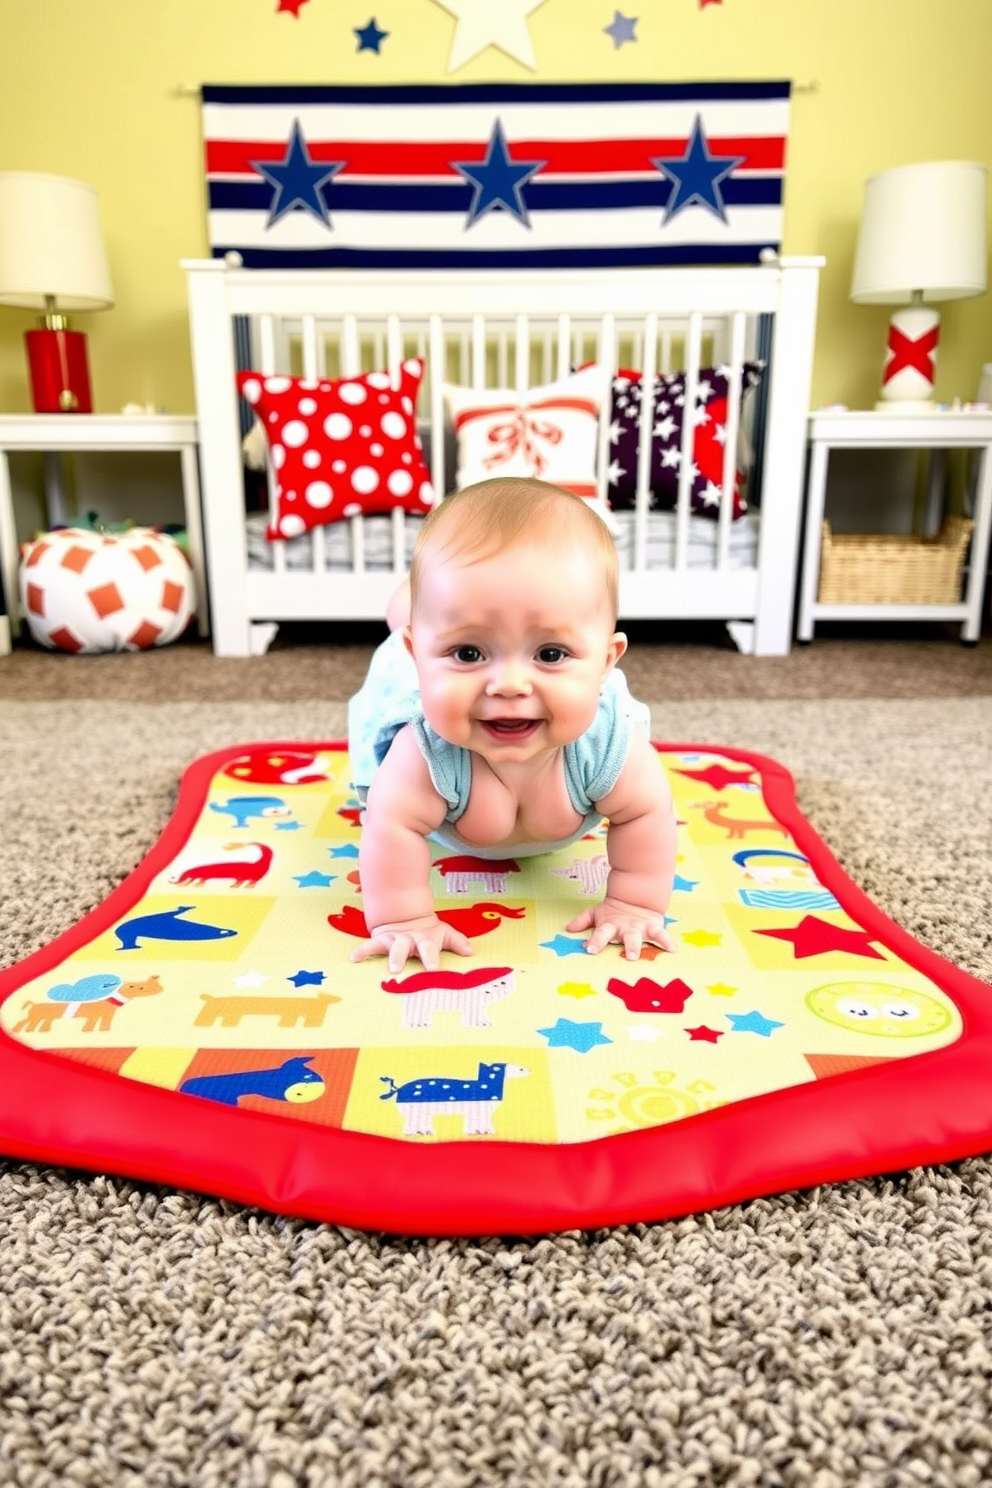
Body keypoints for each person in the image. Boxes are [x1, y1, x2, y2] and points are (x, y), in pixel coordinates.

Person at [347, 477, 677, 973]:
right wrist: (405, 918)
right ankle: (408, 616)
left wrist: (633, 903)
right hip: (419, 695)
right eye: (469, 652)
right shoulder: (424, 753)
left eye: (550, 653)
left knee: (451, 618)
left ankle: (433, 623)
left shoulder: (608, 744)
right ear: (421, 657)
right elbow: (389, 826)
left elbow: (646, 813)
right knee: (410, 634)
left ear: (606, 663)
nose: (508, 684)